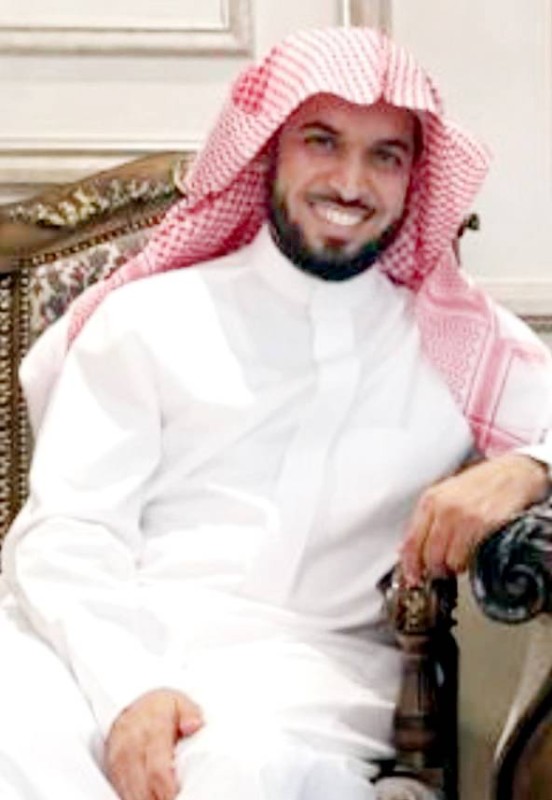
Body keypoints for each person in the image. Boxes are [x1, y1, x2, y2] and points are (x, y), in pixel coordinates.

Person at [0, 26, 550, 800]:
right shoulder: (148, 319)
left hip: (303, 684)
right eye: (322, 142)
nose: (350, 183)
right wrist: (130, 690)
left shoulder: (459, 344)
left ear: (414, 178)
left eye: (386, 155)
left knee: (242, 772)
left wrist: (528, 467)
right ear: (269, 152)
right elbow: (68, 532)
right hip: (91, 645)